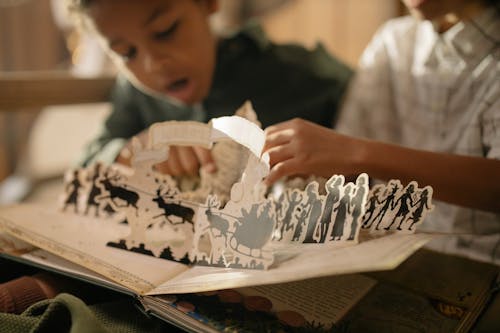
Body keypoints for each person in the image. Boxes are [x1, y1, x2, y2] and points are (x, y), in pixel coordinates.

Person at [264, 0, 500, 264]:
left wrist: (356, 152)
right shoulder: (395, 41)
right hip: (388, 258)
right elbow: (346, 169)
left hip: (482, 271)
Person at [73, 0, 352, 177]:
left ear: (208, 3)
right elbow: (85, 163)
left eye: (165, 31)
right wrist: (135, 150)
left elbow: (378, 112)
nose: (153, 65)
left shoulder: (299, 72)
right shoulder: (133, 92)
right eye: (126, 52)